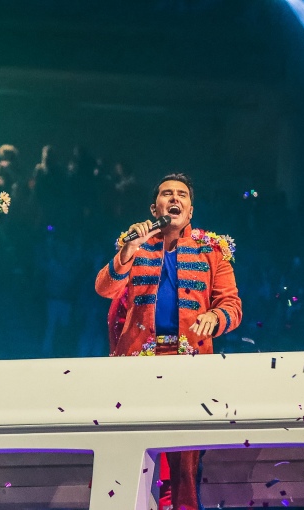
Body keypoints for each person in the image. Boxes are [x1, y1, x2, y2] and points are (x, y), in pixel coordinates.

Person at [95, 173, 242, 510]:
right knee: (132, 451)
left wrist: (214, 318)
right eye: (166, 194)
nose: (174, 198)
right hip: (138, 362)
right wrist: (126, 251)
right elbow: (104, 289)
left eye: (182, 195)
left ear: (190, 210)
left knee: (185, 461)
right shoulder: (136, 245)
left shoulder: (212, 249)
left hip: (189, 363)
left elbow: (232, 306)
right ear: (154, 207)